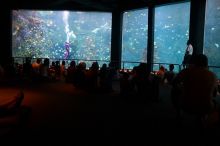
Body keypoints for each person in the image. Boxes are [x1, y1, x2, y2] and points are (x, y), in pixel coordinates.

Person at [172, 54, 219, 125]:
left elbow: (174, 82)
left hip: (186, 105)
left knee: (174, 91)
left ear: (194, 62)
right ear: (206, 63)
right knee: (215, 103)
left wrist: (181, 88)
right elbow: (214, 94)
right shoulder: (213, 75)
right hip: (206, 107)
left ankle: (179, 114)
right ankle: (203, 118)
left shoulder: (186, 71)